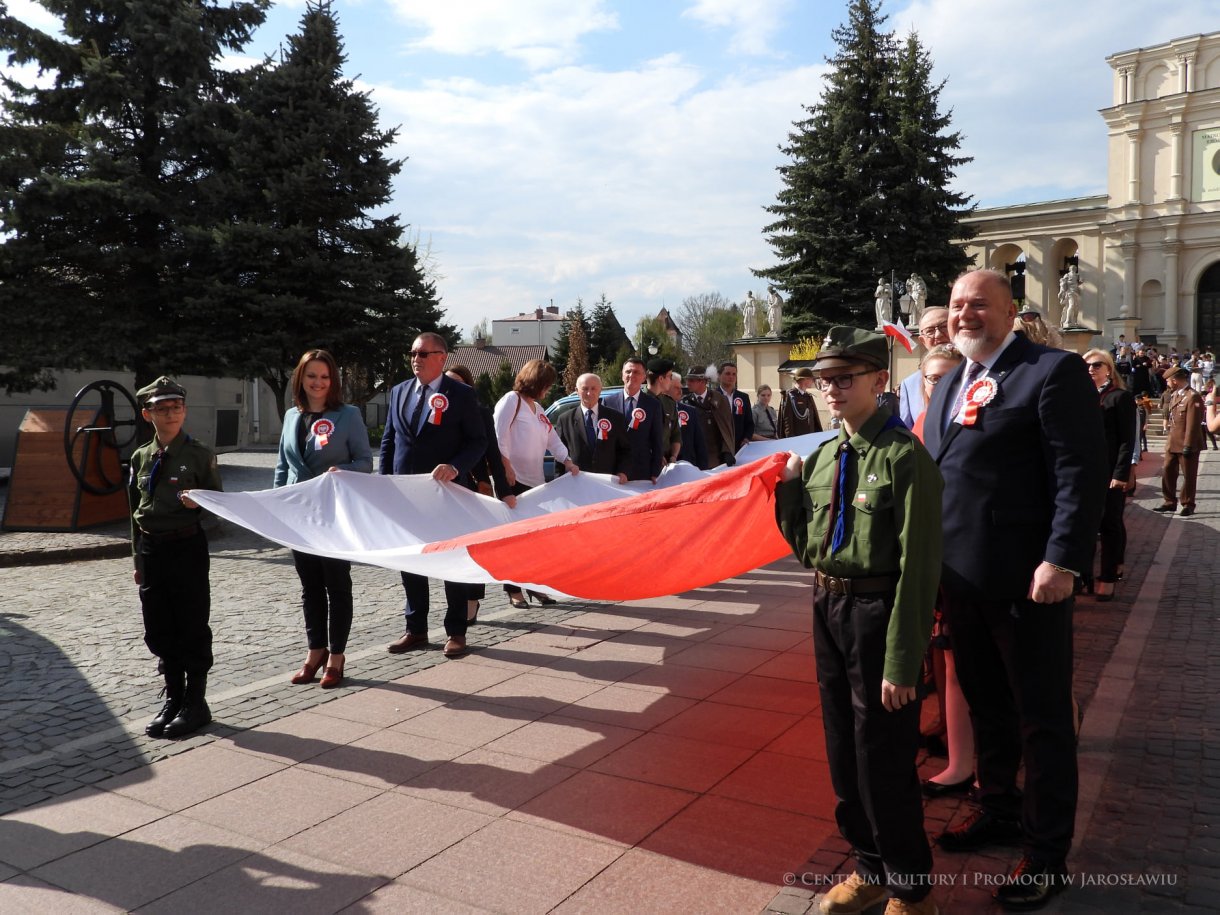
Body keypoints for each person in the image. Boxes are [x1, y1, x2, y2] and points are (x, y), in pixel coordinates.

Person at [923, 269, 1106, 911]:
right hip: (962, 578)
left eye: (979, 304)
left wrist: (1063, 559)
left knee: (1041, 718)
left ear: (1010, 312)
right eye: (956, 305)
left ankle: (1047, 851)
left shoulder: (1051, 371)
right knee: (987, 705)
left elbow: (1080, 471)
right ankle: (998, 806)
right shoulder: (951, 380)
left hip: (1028, 583)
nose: (964, 315)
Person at [775, 326, 942, 915]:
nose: (832, 389)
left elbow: (920, 567)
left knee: (884, 758)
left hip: (879, 611)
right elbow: (809, 549)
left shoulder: (904, 457)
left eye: (844, 378)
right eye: (825, 379)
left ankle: (912, 891)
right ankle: (870, 868)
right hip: (828, 607)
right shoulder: (824, 458)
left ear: (879, 380)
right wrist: (789, 493)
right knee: (843, 750)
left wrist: (903, 660)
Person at [127, 376, 223, 739]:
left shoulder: (199, 454)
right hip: (152, 550)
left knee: (191, 623)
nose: (171, 413)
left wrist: (199, 503)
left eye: (177, 407)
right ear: (147, 413)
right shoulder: (140, 456)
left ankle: (196, 703)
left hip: (186, 546)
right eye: (162, 408)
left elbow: (219, 504)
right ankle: (174, 698)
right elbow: (134, 512)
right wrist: (137, 560)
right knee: (158, 626)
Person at [381, 332, 487, 659]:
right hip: (407, 494)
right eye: (413, 353)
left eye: (423, 354)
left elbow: (478, 441)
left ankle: (456, 630)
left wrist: (455, 467)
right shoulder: (399, 391)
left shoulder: (461, 394)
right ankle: (415, 628)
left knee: (450, 562)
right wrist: (383, 484)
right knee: (412, 561)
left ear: (442, 357)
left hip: (447, 494)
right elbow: (389, 441)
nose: (416, 359)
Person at [274, 349, 373, 690]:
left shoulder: (348, 415)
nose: (318, 382)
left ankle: (336, 657)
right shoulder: (291, 416)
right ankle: (315, 651)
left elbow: (365, 462)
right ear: (301, 378)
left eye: (325, 376)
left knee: (337, 585)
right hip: (299, 514)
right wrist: (275, 506)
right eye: (312, 375)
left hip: (333, 513)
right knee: (310, 587)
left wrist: (340, 470)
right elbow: (283, 467)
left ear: (333, 381)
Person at [908, 344, 977, 798]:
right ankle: (959, 759)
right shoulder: (918, 425)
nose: (941, 385)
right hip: (933, 561)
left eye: (951, 376)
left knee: (976, 667)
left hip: (972, 559)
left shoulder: (979, 420)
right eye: (933, 377)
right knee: (947, 663)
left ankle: (982, 762)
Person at [493, 359, 577, 608]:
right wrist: (506, 468)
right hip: (514, 480)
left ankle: (536, 584)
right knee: (514, 540)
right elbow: (498, 437)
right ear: (535, 382)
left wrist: (567, 460)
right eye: (546, 385)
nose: (548, 390)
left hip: (536, 482)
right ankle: (513, 589)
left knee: (536, 540)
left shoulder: (538, 409)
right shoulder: (511, 401)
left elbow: (552, 439)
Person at [446, 364, 515, 623]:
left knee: (474, 547)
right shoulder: (437, 410)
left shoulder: (481, 412)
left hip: (476, 488)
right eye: (447, 382)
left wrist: (504, 491)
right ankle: (458, 602)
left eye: (457, 382)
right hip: (447, 490)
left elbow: (493, 455)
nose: (451, 388)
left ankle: (472, 600)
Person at [1083, 349, 1136, 601]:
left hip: (1109, 472)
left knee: (1109, 524)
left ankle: (1107, 578)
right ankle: (1083, 576)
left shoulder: (1119, 397)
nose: (1091, 369)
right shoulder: (1078, 396)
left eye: (1096, 365)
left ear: (1108, 369)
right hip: (1083, 472)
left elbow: (1127, 439)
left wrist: (1121, 473)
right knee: (1083, 525)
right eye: (1086, 365)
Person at [554, 373, 630, 481]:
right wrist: (559, 481)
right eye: (585, 389)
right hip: (577, 482)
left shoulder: (616, 418)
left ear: (600, 390)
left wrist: (623, 472)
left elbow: (625, 450)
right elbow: (560, 455)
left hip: (608, 482)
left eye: (593, 388)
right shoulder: (565, 420)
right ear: (577, 391)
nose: (589, 393)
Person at [604, 357, 664, 482]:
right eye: (628, 372)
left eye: (636, 372)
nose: (631, 375)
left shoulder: (653, 404)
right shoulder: (608, 402)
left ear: (644, 377)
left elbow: (657, 440)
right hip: (614, 469)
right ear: (622, 375)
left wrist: (655, 471)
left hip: (642, 470)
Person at [1155, 365, 1204, 517]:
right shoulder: (1175, 394)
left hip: (1186, 443)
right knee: (1168, 471)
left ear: (1175, 380)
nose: (1167, 384)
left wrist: (1188, 444)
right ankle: (1169, 502)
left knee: (1189, 475)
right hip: (1173, 442)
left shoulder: (1192, 396)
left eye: (1168, 381)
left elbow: (1193, 423)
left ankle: (1188, 504)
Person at [898, 307, 950, 428]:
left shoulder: (981, 372)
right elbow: (909, 432)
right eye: (930, 331)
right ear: (922, 340)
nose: (938, 334)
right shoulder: (909, 385)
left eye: (944, 327)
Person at [682, 365, 735, 467]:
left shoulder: (719, 399)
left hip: (715, 458)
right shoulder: (685, 402)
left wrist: (727, 451)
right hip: (694, 458)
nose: (688, 383)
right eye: (687, 380)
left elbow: (727, 428)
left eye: (692, 380)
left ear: (703, 381)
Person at [647, 358, 683, 463]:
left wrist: (674, 456)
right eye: (670, 376)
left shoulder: (669, 403)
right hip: (647, 460)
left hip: (667, 461)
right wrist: (656, 454)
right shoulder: (640, 401)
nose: (671, 380)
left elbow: (676, 434)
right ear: (661, 379)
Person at [670, 372, 708, 468]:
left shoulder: (690, 411)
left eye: (681, 388)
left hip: (688, 465)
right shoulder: (657, 409)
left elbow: (699, 443)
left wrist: (702, 469)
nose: (680, 391)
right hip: (666, 465)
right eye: (676, 388)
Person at [778, 367, 824, 437]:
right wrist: (790, 439)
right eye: (812, 379)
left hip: (810, 437)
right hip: (797, 439)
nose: (813, 382)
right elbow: (788, 422)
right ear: (805, 379)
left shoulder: (808, 396)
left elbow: (814, 419)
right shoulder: (790, 396)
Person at [717, 362, 754, 450]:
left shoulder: (743, 397)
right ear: (719, 375)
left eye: (734, 374)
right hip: (719, 446)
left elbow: (749, 423)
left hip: (739, 445)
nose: (731, 377)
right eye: (727, 374)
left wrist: (746, 438)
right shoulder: (712, 396)